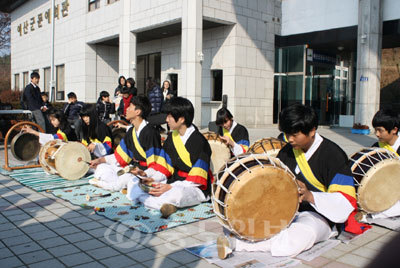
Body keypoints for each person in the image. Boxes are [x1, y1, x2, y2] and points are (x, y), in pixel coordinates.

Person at [217, 103, 370, 259]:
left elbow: (345, 201)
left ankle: (237, 245)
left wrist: (310, 196)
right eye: (286, 133)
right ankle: (246, 238)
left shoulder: (333, 155)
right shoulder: (286, 152)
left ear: (312, 130)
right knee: (243, 220)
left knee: (295, 240)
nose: (289, 139)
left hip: (319, 216)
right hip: (286, 211)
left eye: (295, 134)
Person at [126, 97, 214, 219]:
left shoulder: (199, 141)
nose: (166, 119)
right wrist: (149, 177)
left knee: (176, 194)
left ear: (181, 119)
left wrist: (171, 187)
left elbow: (196, 180)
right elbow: (164, 168)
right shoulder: (172, 138)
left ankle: (153, 201)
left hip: (194, 187)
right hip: (173, 181)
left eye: (170, 116)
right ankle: (164, 204)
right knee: (134, 183)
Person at [89, 96, 162, 192]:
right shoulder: (131, 131)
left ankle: (105, 184)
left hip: (145, 172)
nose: (126, 109)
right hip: (133, 169)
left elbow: (156, 164)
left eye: (130, 106)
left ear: (138, 112)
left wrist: (144, 173)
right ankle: (121, 185)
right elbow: (119, 156)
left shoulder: (150, 132)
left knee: (124, 179)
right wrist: (99, 160)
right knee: (102, 168)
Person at [367, 109, 400, 219]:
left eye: (380, 130)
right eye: (376, 130)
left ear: (394, 130)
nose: (377, 134)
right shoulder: (376, 146)